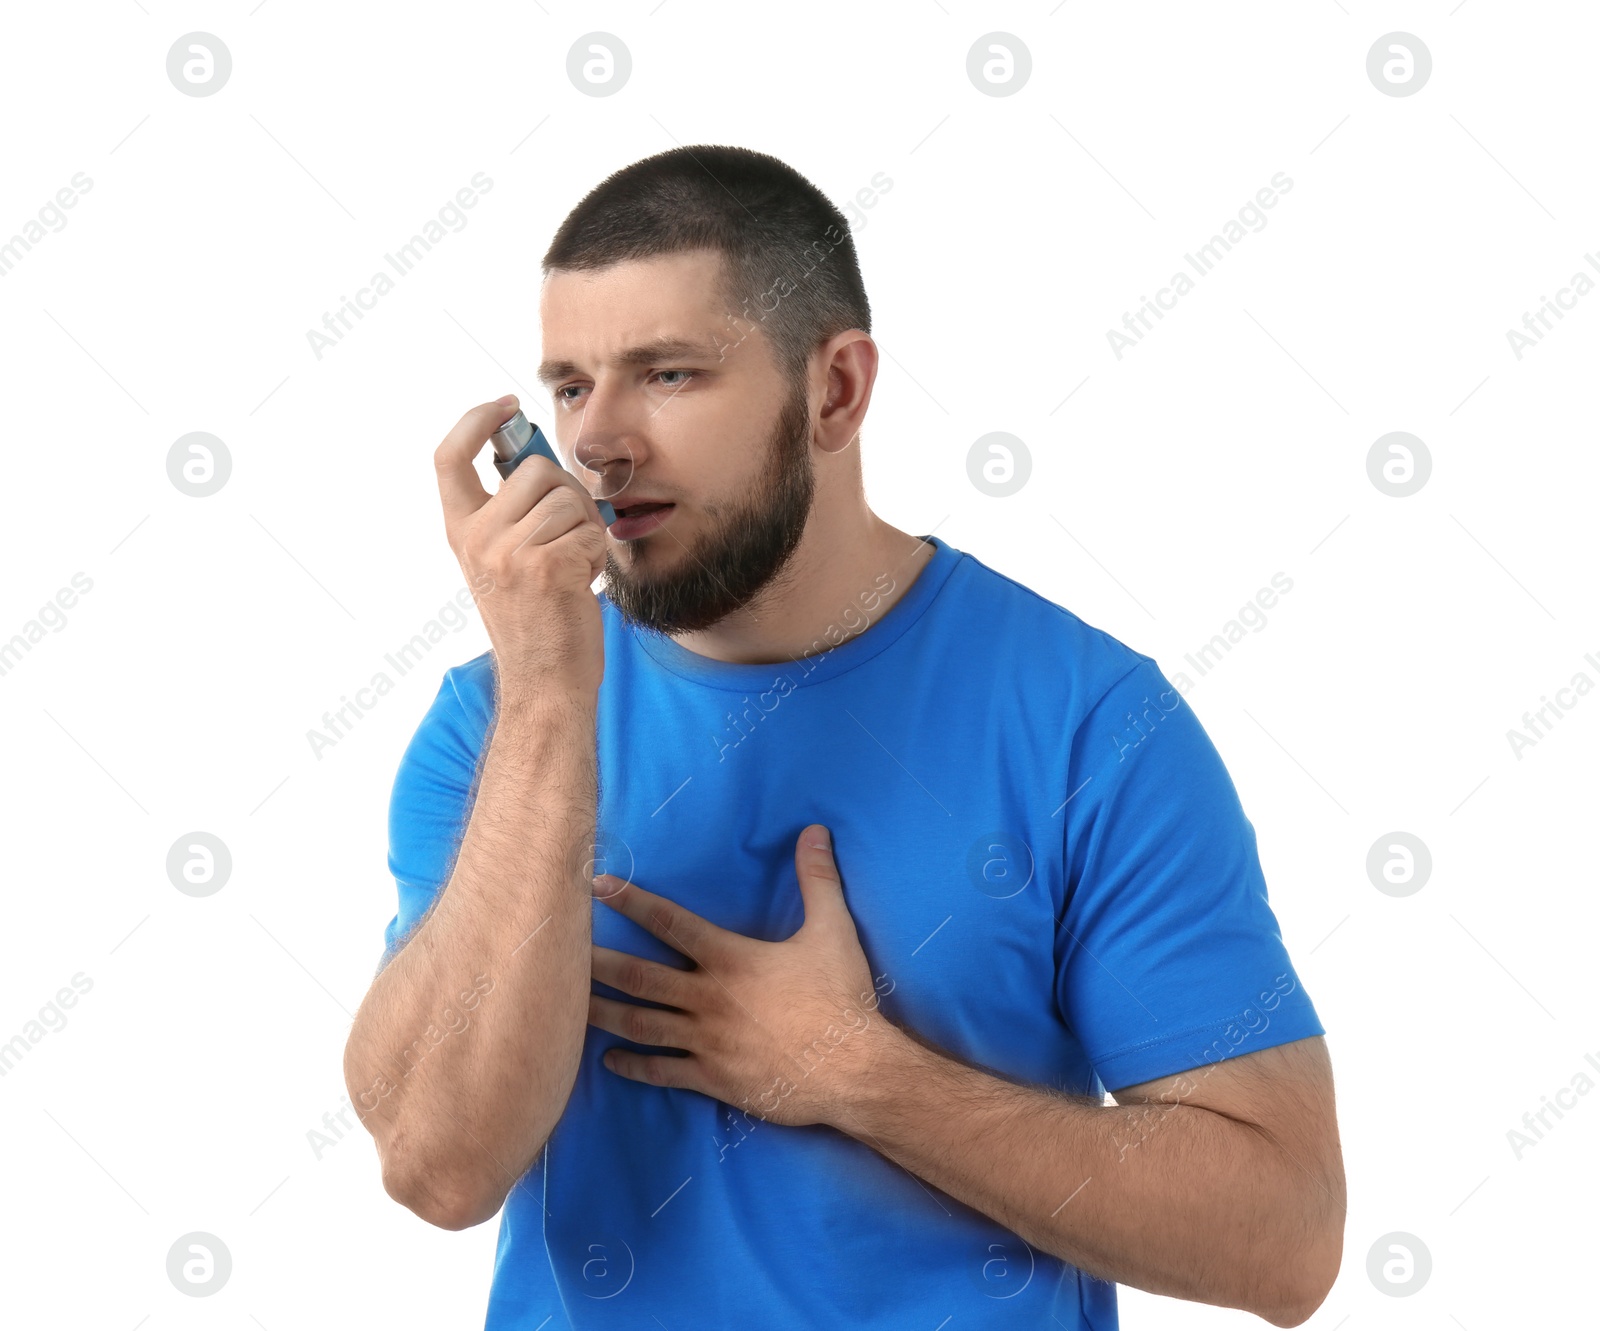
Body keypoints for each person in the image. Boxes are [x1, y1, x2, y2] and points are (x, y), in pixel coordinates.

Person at [342, 144, 1345, 1330]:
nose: (599, 443)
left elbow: (1285, 1241)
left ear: (835, 391)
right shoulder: (496, 721)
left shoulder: (1085, 721)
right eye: (569, 387)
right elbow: (437, 1165)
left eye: (666, 374)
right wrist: (552, 691)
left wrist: (862, 1077)